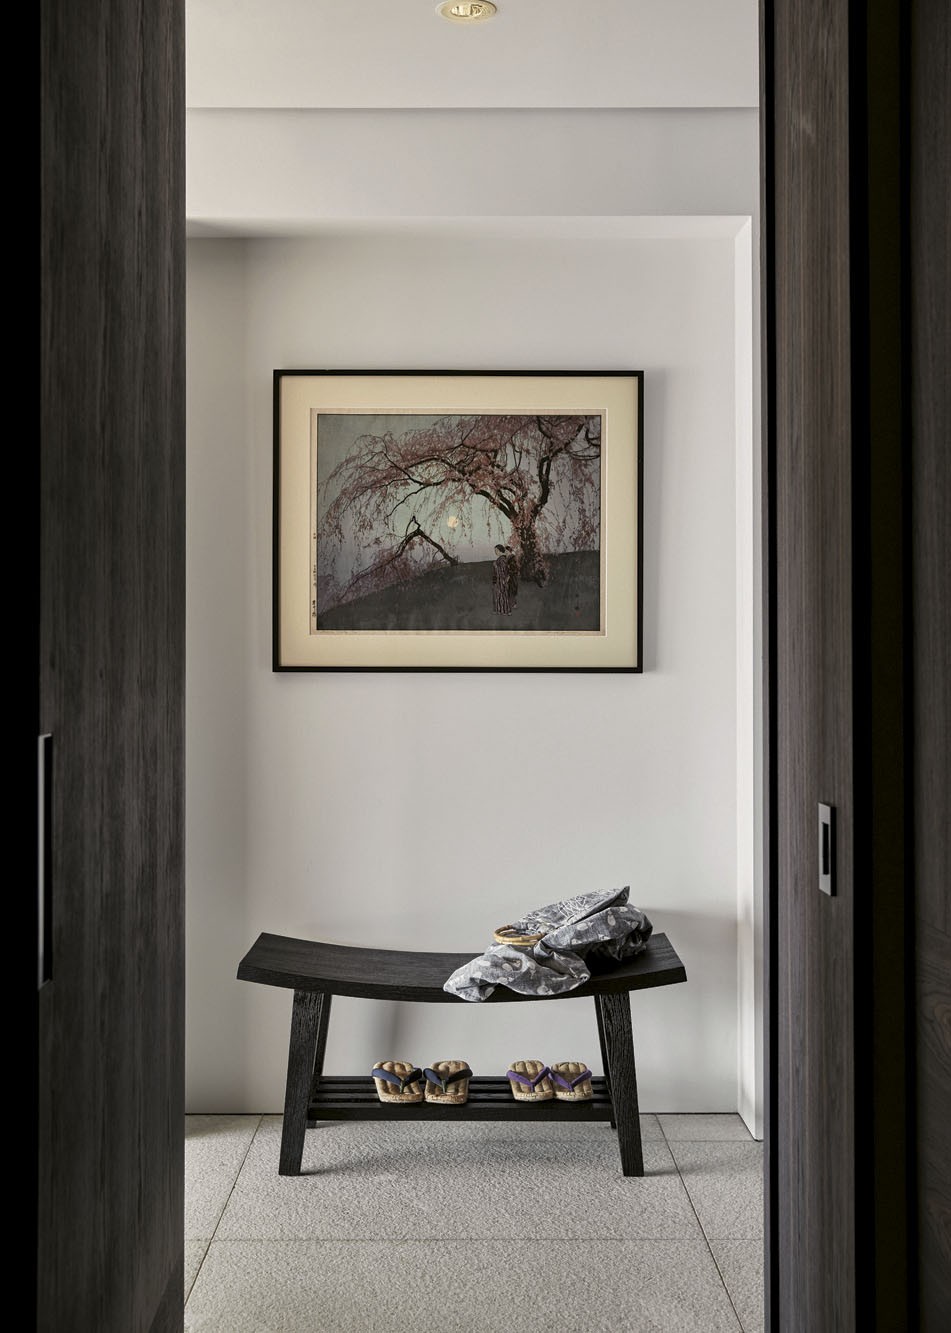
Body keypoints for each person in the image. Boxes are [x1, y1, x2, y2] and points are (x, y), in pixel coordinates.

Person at [492, 544, 514, 615]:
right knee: (502, 595)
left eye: (496, 550)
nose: (495, 552)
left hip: (502, 580)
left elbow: (503, 570)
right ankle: (503, 610)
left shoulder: (502, 559)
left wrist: (495, 565)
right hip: (501, 580)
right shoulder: (502, 559)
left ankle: (505, 611)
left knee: (502, 596)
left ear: (499, 550)